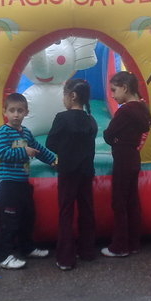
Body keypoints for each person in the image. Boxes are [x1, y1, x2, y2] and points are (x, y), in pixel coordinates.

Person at [0, 93, 57, 269]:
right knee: (8, 221)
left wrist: (53, 160)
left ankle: (26, 247)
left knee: (27, 216)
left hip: (22, 183)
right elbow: (2, 154)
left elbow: (38, 149)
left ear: (26, 112)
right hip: (9, 184)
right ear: (5, 112)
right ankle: (3, 256)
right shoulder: (3, 132)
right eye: (12, 110)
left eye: (20, 111)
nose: (16, 114)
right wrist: (24, 152)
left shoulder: (26, 132)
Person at [46, 78, 98, 270]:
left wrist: (65, 150)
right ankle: (87, 251)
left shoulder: (62, 118)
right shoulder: (91, 120)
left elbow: (50, 143)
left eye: (65, 95)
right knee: (87, 210)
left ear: (72, 96)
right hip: (86, 171)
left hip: (68, 171)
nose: (63, 99)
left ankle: (66, 258)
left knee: (66, 212)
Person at [101, 71, 151, 257]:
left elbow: (108, 134)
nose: (113, 95)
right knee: (132, 201)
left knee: (119, 202)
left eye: (114, 90)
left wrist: (116, 141)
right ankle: (133, 242)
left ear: (125, 88)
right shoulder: (141, 108)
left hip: (123, 158)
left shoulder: (124, 112)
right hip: (133, 157)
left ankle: (120, 246)